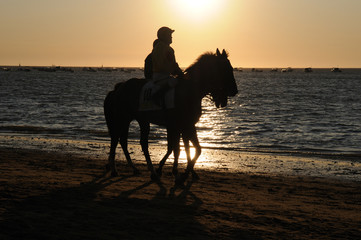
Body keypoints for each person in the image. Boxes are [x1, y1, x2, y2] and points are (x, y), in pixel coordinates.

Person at [149, 26, 183, 106]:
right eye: (169, 35)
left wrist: (178, 71)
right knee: (175, 81)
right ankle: (157, 96)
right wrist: (174, 70)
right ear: (163, 36)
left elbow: (173, 64)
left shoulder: (167, 48)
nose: (171, 37)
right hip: (161, 76)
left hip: (166, 75)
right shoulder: (161, 48)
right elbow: (162, 64)